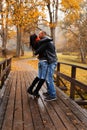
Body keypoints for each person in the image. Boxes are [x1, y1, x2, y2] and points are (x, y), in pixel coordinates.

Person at [34, 31, 57, 101]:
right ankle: (49, 92)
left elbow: (37, 51)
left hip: (52, 61)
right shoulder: (47, 41)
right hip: (50, 61)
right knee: (47, 78)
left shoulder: (46, 41)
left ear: (43, 34)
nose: (38, 35)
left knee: (49, 78)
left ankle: (53, 95)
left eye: (40, 34)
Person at [27, 33, 52, 98]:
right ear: (36, 38)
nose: (39, 38)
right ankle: (36, 91)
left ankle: (30, 88)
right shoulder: (39, 43)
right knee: (43, 78)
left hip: (40, 61)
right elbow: (48, 40)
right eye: (37, 37)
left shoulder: (34, 44)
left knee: (39, 76)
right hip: (44, 62)